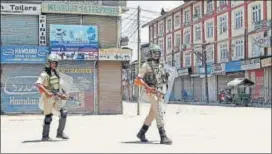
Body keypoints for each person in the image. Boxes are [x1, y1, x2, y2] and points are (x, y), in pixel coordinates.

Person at [134, 44, 172, 145]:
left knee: (153, 113)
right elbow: (138, 80)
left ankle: (141, 133)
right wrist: (147, 87)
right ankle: (163, 136)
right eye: (154, 53)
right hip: (151, 92)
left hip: (159, 92)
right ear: (150, 54)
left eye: (158, 53)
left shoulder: (161, 65)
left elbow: (163, 79)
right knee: (159, 111)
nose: (156, 55)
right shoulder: (146, 65)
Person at [35, 54, 69, 141]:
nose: (54, 65)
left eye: (55, 63)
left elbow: (59, 86)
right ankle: (45, 136)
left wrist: (63, 94)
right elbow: (38, 84)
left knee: (64, 113)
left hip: (56, 97)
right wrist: (47, 92)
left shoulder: (57, 74)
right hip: (48, 98)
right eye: (52, 63)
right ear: (48, 63)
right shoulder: (44, 74)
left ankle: (60, 133)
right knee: (48, 117)